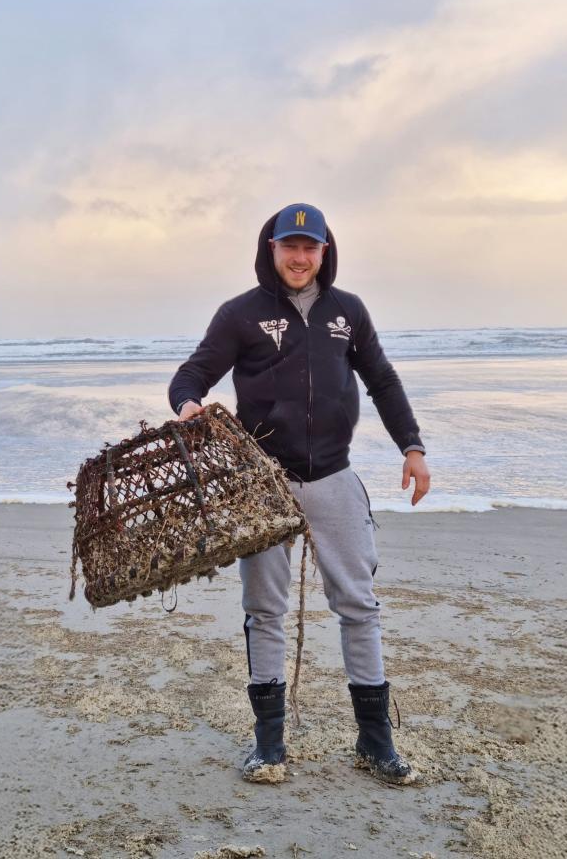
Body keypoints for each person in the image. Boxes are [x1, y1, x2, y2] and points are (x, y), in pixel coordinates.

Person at [168, 203, 430, 785]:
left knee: (358, 606)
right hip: (264, 483)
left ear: (324, 252)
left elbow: (382, 379)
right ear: (272, 248)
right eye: (290, 246)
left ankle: (374, 742)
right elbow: (190, 376)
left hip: (334, 477)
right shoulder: (240, 314)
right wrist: (187, 405)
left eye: (311, 247)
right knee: (265, 610)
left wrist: (411, 447)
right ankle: (268, 746)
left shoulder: (347, 312)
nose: (300, 257)